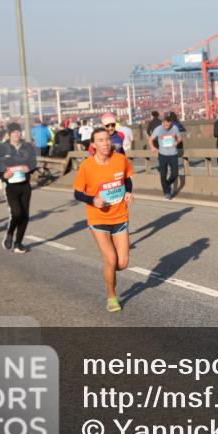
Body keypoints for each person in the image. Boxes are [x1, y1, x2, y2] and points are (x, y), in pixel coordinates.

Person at [73, 126, 134, 313]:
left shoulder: (120, 159)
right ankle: (111, 296)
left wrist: (128, 192)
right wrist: (93, 199)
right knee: (110, 259)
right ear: (93, 145)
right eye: (100, 140)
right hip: (98, 218)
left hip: (120, 216)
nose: (105, 143)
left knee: (122, 263)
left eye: (107, 139)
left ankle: (109, 271)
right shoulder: (87, 166)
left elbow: (127, 178)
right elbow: (77, 193)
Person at [0, 122, 38, 253]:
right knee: (17, 213)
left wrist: (30, 168)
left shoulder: (27, 147)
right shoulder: (1, 148)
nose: (17, 134)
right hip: (11, 186)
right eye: (14, 132)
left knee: (25, 215)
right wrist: (3, 174)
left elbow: (33, 162)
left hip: (25, 184)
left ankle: (18, 244)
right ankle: (10, 233)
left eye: (19, 131)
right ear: (9, 134)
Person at [148, 113, 183, 199]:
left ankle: (167, 184)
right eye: (166, 125)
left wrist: (177, 142)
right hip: (163, 155)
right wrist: (152, 147)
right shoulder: (158, 129)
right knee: (163, 175)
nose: (168, 127)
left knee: (175, 174)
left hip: (173, 154)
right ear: (163, 122)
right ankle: (166, 193)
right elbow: (150, 139)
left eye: (169, 125)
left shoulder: (174, 128)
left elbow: (180, 138)